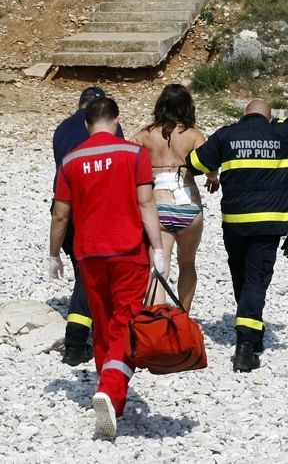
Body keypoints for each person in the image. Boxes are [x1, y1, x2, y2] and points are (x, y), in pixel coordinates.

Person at [49, 97, 164, 438]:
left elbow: (60, 213)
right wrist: (158, 248)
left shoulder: (71, 160)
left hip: (88, 254)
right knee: (125, 324)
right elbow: (146, 203)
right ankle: (111, 391)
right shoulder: (134, 153)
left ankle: (110, 390)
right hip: (128, 251)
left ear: (86, 124)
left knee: (102, 325)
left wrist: (53, 254)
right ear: (116, 120)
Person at [186, 98, 288, 372]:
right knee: (257, 279)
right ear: (268, 117)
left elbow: (194, 162)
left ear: (244, 115)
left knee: (241, 275)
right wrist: (276, 122)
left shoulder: (228, 134)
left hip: (235, 222)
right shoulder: (281, 133)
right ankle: (246, 345)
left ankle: (251, 329)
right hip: (269, 223)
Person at [52, 86, 124, 367]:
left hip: (64, 205)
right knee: (88, 276)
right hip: (94, 210)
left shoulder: (61, 129)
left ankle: (82, 333)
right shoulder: (109, 127)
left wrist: (53, 251)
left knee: (84, 272)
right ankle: (76, 342)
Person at [132, 84, 219, 313]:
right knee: (187, 263)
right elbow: (209, 162)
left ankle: (157, 322)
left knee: (159, 266)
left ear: (160, 105)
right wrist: (213, 178)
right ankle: (183, 316)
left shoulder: (145, 134)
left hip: (158, 206)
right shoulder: (192, 135)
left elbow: (126, 155)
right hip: (188, 205)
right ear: (187, 106)